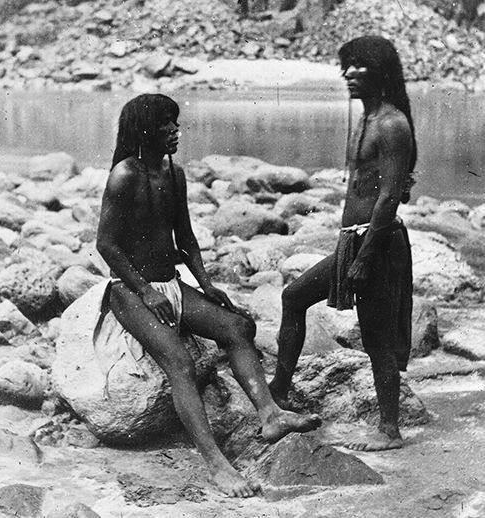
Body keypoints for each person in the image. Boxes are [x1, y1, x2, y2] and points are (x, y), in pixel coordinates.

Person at [96, 93, 321, 498]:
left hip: (172, 281)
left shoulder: (173, 173)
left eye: (177, 124)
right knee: (179, 362)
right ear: (146, 129)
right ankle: (217, 464)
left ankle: (270, 414)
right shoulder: (124, 176)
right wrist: (145, 291)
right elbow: (107, 245)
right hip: (128, 290)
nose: (177, 131)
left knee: (237, 327)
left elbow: (186, 237)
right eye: (169, 124)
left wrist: (206, 285)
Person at [269, 36, 416, 452]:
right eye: (346, 66)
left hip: (378, 244)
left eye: (359, 68)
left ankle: (390, 430)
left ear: (381, 73)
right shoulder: (366, 118)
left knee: (376, 339)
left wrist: (364, 258)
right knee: (293, 297)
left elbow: (388, 198)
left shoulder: (391, 123)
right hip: (354, 240)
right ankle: (279, 389)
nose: (348, 74)